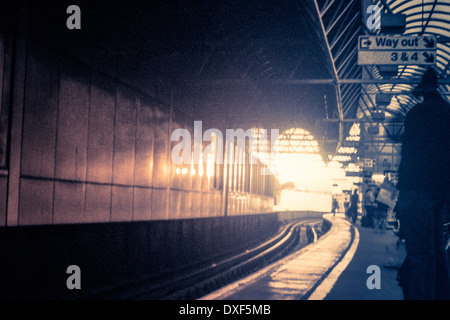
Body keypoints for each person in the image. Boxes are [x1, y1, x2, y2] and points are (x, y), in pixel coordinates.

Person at [396, 68, 450, 300]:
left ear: (422, 92)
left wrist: (402, 194)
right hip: (441, 192)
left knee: (420, 254)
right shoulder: (448, 112)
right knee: (437, 249)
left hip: (416, 189)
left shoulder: (416, 114)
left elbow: (409, 156)